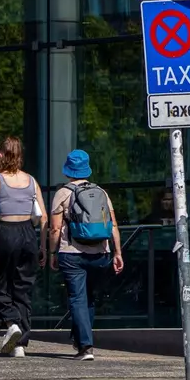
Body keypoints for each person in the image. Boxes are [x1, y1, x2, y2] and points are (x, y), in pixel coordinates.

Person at [49, 150, 124, 361]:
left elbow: (55, 229)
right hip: (100, 253)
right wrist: (117, 252)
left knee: (77, 297)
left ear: (68, 171)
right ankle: (82, 339)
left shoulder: (63, 193)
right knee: (89, 298)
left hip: (71, 253)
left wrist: (53, 252)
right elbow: (113, 224)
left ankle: (85, 346)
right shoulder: (101, 192)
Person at [0, 137, 45, 358]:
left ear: (1, 155)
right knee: (23, 287)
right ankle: (19, 344)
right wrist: (44, 248)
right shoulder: (32, 180)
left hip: (7, 231)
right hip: (29, 234)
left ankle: (11, 323)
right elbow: (42, 215)